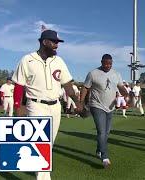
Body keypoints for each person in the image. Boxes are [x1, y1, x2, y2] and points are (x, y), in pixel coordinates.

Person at [12, 29, 78, 180]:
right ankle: (43, 177)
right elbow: (19, 85)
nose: (57, 45)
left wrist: (78, 102)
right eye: (54, 42)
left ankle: (37, 165)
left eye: (57, 42)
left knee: (49, 144)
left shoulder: (59, 61)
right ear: (44, 42)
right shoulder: (27, 60)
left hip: (55, 106)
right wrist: (18, 105)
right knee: (41, 143)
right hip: (36, 105)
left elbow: (67, 83)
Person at [78, 54, 128, 168]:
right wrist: (81, 102)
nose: (108, 66)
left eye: (110, 63)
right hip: (97, 105)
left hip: (110, 107)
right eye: (105, 63)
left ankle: (99, 149)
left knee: (106, 132)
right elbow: (85, 87)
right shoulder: (93, 73)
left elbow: (120, 86)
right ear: (101, 62)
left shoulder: (116, 74)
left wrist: (126, 93)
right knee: (101, 131)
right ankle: (104, 157)